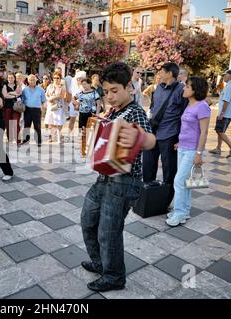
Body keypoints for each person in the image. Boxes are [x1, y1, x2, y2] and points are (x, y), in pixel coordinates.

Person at [80, 62, 156, 292]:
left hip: (124, 182)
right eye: (106, 91)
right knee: (88, 221)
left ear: (129, 87)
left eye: (115, 91)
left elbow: (151, 140)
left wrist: (137, 137)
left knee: (108, 231)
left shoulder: (135, 112)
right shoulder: (113, 111)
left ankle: (114, 276)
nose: (110, 96)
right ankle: (101, 263)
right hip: (104, 178)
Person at [166, 76, 211, 226]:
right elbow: (189, 128)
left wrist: (199, 153)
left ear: (195, 90)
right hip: (183, 148)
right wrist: (180, 142)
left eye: (187, 86)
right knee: (185, 182)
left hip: (192, 150)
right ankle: (184, 211)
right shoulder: (189, 105)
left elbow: (203, 132)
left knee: (178, 181)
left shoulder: (202, 106)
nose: (184, 88)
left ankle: (179, 213)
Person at [142, 62, 188, 207]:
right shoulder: (158, 89)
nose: (159, 74)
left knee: (169, 169)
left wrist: (181, 138)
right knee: (148, 163)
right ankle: (147, 193)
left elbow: (185, 115)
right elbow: (153, 108)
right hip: (153, 132)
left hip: (170, 134)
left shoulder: (182, 90)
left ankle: (165, 201)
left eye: (161, 71)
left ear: (169, 73)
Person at [208, 69, 231, 158]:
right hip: (230, 113)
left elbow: (226, 101)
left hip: (225, 114)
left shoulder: (230, 86)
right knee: (221, 131)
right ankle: (218, 148)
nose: (223, 77)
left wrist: (222, 113)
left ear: (229, 76)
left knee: (219, 130)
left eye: (224, 75)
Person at [21, 74, 46, 147]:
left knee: (37, 127)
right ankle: (25, 140)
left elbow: (43, 101)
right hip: (27, 110)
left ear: (36, 80)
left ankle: (38, 142)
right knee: (26, 126)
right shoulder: (24, 90)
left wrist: (44, 110)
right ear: (28, 81)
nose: (32, 81)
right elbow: (22, 100)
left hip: (37, 110)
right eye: (30, 80)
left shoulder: (41, 90)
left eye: (33, 79)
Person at [45, 72, 66, 143]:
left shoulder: (62, 87)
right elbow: (46, 95)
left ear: (60, 79)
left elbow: (62, 95)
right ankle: (51, 137)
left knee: (58, 122)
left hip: (58, 107)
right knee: (51, 122)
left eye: (58, 78)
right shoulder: (50, 86)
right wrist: (49, 99)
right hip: (51, 106)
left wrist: (53, 98)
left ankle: (59, 138)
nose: (56, 79)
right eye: (55, 78)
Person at [2, 71, 22, 144]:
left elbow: (19, 93)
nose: (10, 79)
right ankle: (9, 139)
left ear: (14, 78)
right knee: (8, 124)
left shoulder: (17, 85)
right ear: (7, 78)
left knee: (16, 123)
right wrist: (13, 95)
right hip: (7, 107)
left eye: (12, 77)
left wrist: (10, 93)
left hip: (16, 107)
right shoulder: (5, 86)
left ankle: (18, 140)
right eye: (9, 78)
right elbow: (5, 96)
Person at [68, 71, 86, 136]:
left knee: (81, 121)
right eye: (78, 78)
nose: (78, 79)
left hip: (82, 105)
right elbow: (71, 94)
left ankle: (80, 135)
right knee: (72, 120)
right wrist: (75, 103)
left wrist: (78, 104)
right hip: (73, 104)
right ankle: (68, 135)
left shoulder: (85, 86)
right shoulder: (73, 84)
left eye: (80, 78)